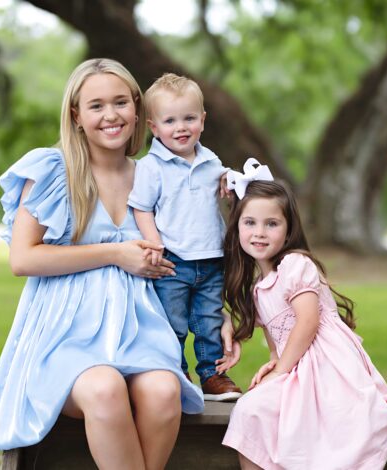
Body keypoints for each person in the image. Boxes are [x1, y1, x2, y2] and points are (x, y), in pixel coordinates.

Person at [0, 59, 237, 469]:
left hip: (143, 330)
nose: (110, 115)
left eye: (120, 103)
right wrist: (114, 253)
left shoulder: (155, 174)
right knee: (105, 388)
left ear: (138, 110)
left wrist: (217, 316)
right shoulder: (55, 171)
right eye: (95, 106)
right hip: (66, 333)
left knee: (165, 392)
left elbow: (197, 255)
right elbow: (22, 258)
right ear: (76, 115)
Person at [221, 161, 387, 470]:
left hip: (328, 365)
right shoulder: (259, 287)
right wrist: (275, 361)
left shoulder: (295, 265)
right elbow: (276, 342)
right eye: (250, 223)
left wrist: (280, 370)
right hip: (297, 365)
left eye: (271, 224)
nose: (259, 232)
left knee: (262, 412)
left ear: (288, 231)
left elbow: (308, 322)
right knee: (253, 410)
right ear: (237, 228)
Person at [127, 73, 242, 401]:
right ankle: (175, 374)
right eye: (170, 120)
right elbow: (141, 209)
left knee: (208, 323)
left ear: (202, 121)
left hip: (211, 259)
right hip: (173, 260)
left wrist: (230, 183)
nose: (181, 127)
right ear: (153, 127)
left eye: (189, 118)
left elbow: (224, 193)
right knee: (172, 323)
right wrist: (154, 244)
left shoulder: (211, 162)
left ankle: (212, 376)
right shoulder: (152, 167)